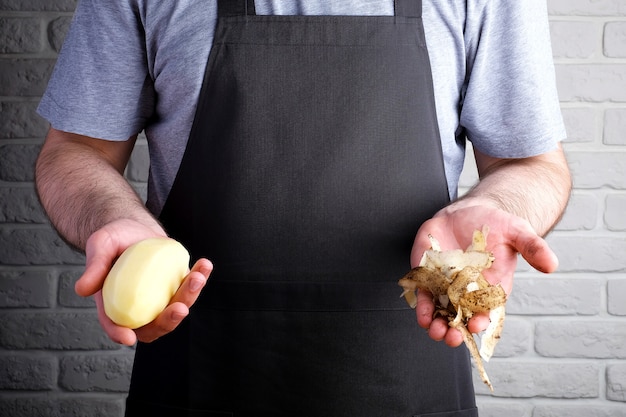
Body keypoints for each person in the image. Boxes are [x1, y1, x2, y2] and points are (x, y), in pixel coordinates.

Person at [35, 0, 571, 415]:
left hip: (410, 382)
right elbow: (76, 151)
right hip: (194, 377)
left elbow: (530, 165)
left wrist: (497, 204)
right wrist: (112, 218)